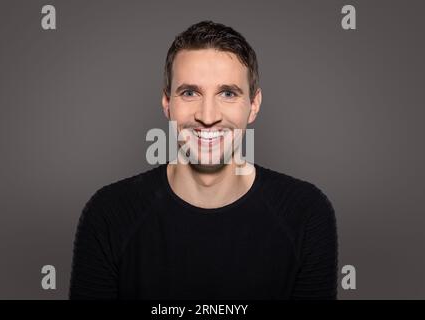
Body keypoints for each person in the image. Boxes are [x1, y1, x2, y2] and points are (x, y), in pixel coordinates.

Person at [69, 20, 338, 300]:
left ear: (254, 105)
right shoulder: (110, 214)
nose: (207, 117)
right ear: (167, 104)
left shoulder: (305, 213)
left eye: (228, 93)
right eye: (189, 93)